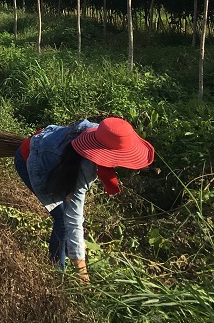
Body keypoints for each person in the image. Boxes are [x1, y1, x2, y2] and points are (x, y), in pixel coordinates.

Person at [13, 117, 154, 282]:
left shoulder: (101, 134)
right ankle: (57, 276)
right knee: (62, 220)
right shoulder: (83, 167)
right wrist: (83, 275)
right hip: (30, 157)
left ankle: (67, 253)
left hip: (49, 146)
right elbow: (73, 220)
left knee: (65, 223)